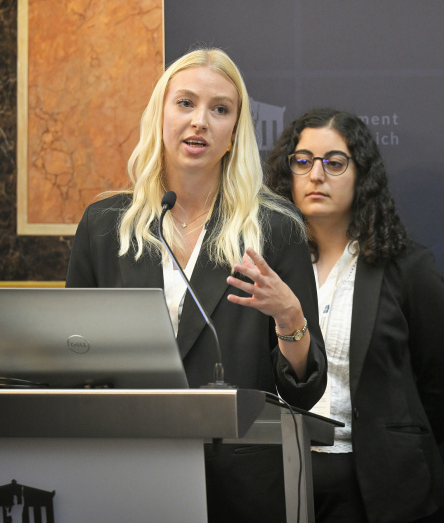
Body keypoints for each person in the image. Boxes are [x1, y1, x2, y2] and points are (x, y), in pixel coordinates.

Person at [65, 48, 326, 523]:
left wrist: (291, 319)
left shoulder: (275, 228)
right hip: (128, 470)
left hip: (239, 482)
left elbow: (304, 392)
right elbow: (72, 357)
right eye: (185, 103)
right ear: (160, 115)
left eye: (220, 109)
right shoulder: (104, 225)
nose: (200, 121)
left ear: (234, 133)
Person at [266, 108, 444, 523]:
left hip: (378, 487)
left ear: (362, 176)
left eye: (334, 163)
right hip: (277, 476)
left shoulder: (408, 267)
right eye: (303, 161)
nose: (316, 175)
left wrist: (393, 448)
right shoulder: (266, 266)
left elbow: (442, 386)